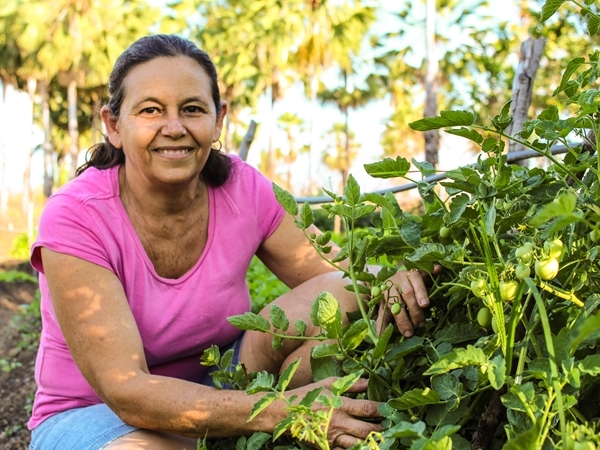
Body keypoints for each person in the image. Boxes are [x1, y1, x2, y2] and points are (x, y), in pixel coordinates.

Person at [28, 34, 433, 450]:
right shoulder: (77, 215)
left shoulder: (242, 188)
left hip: (224, 379)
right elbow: (128, 392)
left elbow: (343, 277)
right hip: (102, 414)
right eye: (151, 110)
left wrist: (398, 276)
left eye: (192, 109)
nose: (174, 128)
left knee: (345, 297)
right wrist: (280, 410)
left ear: (218, 119)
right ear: (114, 125)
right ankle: (266, 429)